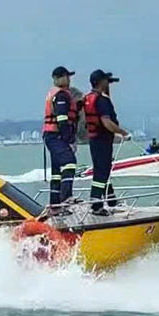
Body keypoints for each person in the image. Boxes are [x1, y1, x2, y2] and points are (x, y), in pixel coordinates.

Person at [82, 70, 130, 215]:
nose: (108, 84)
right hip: (102, 140)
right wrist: (123, 133)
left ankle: (111, 199)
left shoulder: (89, 98)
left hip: (94, 139)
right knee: (101, 172)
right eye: (106, 81)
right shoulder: (102, 100)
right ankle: (96, 204)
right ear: (101, 82)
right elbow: (106, 122)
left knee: (103, 169)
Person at [42, 66, 79, 207]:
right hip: (56, 135)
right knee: (69, 162)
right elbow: (62, 119)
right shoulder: (61, 95)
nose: (68, 79)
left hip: (50, 135)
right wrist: (69, 140)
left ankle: (55, 203)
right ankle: (66, 198)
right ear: (57, 79)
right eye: (65, 76)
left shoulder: (56, 94)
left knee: (57, 171)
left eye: (68, 76)